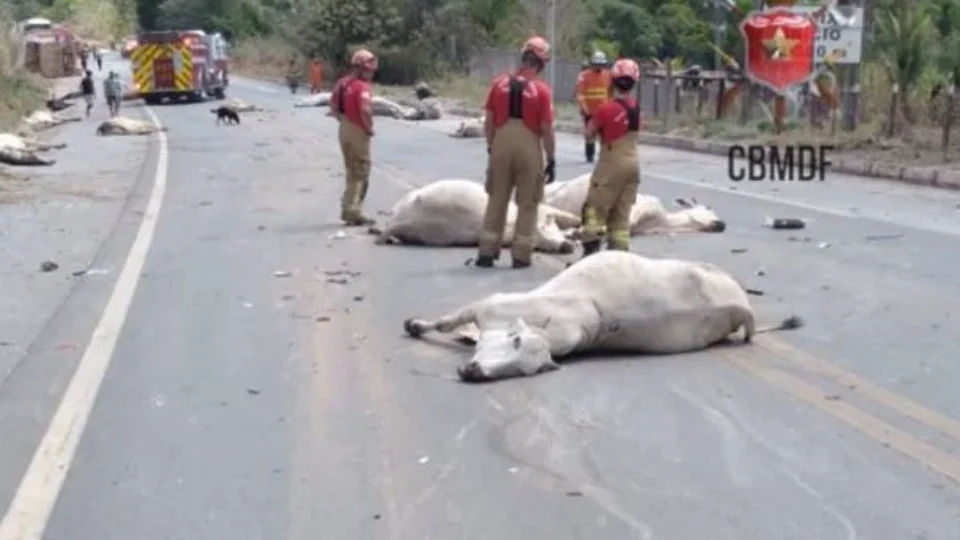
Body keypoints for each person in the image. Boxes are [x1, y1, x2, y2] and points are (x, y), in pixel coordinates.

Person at [475, 36, 556, 269]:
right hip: (529, 146)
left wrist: (492, 146)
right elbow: (546, 130)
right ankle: (521, 254)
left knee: (497, 197)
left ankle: (487, 251)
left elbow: (489, 122)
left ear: (523, 58)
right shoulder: (542, 90)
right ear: (540, 64)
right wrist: (550, 158)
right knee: (528, 201)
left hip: (501, 142)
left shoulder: (498, 84)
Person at [579, 58, 642, 257]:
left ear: (612, 81)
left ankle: (590, 256)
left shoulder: (606, 109)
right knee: (621, 214)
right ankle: (619, 256)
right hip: (633, 163)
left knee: (594, 210)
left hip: (611, 162)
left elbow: (589, 134)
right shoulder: (636, 108)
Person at [329, 48, 378, 226]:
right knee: (360, 170)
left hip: (344, 128)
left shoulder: (342, 83)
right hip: (358, 129)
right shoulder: (362, 87)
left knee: (350, 169)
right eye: (370, 70)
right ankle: (352, 211)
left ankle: (347, 206)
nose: (372, 73)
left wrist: (342, 119)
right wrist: (369, 128)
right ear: (362, 68)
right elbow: (365, 110)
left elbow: (333, 106)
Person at [575, 51, 613, 163]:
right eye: (597, 64)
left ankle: (606, 155)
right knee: (590, 135)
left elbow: (610, 92)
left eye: (601, 65)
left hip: (604, 111)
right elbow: (580, 93)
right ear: (592, 64)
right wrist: (583, 107)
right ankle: (589, 155)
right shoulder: (584, 76)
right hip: (590, 111)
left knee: (606, 135)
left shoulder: (608, 75)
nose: (599, 67)